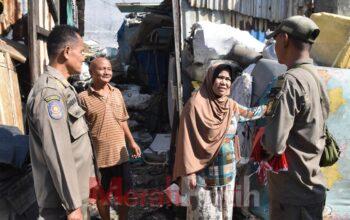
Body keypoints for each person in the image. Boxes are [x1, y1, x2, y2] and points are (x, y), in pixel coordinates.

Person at [173, 62, 266, 219]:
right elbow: (185, 140)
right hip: (203, 177)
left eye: (228, 79)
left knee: (223, 215)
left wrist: (268, 107)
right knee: (204, 215)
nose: (224, 82)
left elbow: (249, 114)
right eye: (219, 77)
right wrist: (189, 172)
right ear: (210, 79)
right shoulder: (195, 105)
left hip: (227, 174)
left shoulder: (230, 105)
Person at [262, 15, 330, 220]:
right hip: (313, 188)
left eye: (276, 40)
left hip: (291, 195)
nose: (275, 45)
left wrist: (261, 139)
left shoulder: (289, 82)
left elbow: (274, 145)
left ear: (284, 39)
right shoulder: (317, 78)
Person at [26, 25, 93, 220]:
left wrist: (90, 181)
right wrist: (73, 207)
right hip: (62, 206)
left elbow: (78, 142)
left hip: (75, 199)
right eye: (81, 52)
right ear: (66, 52)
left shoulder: (64, 88)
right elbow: (58, 152)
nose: (83, 57)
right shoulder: (50, 94)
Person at [78, 57, 141, 220]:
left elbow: (122, 120)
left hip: (121, 155)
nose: (106, 72)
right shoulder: (83, 98)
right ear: (92, 72)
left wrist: (132, 142)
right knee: (102, 195)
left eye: (109, 69)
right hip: (99, 158)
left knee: (125, 194)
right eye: (102, 69)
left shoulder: (117, 93)